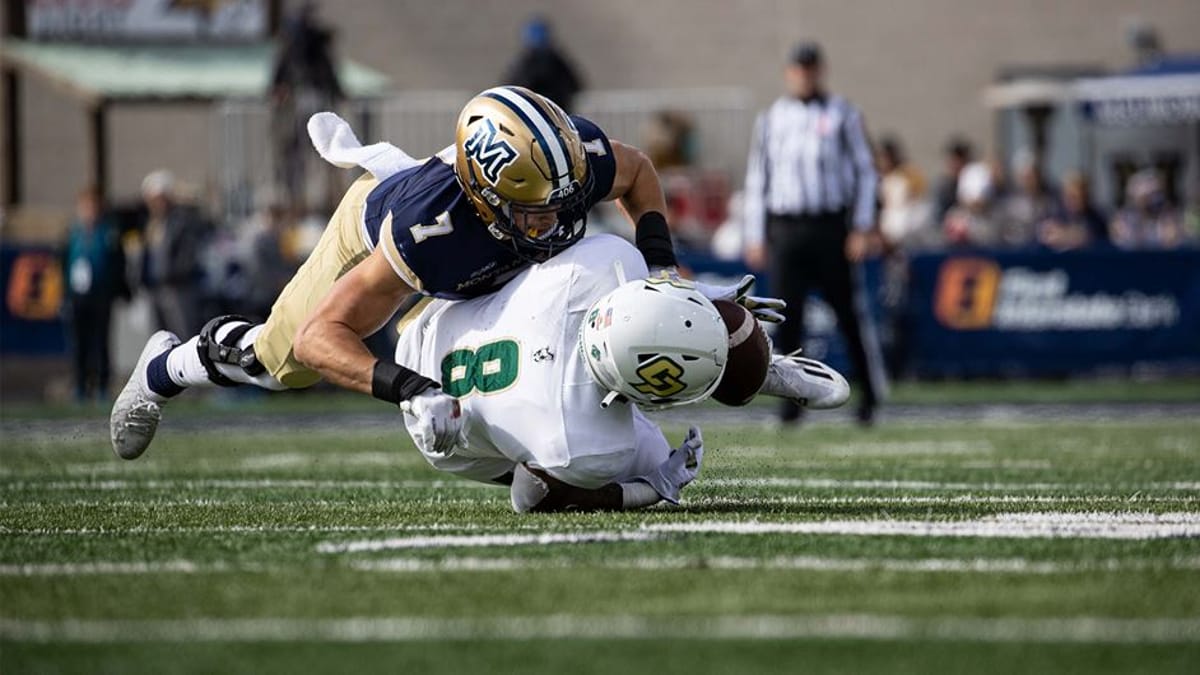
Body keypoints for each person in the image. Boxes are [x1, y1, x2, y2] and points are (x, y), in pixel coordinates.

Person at [111, 86, 785, 461]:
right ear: (489, 200)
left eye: (562, 205)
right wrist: (412, 389)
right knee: (283, 361)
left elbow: (635, 169)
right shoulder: (429, 233)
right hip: (377, 235)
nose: (557, 223)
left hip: (468, 241)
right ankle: (167, 368)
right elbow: (325, 333)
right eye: (534, 213)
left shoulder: (561, 162)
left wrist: (666, 274)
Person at [396, 234, 849, 512]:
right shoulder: (590, 445)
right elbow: (528, 494)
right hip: (442, 422)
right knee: (642, 459)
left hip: (432, 322)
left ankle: (756, 368)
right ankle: (750, 369)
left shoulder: (596, 267)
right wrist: (654, 486)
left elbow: (645, 297)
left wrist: (703, 301)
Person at [742, 42, 887, 426]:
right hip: (787, 227)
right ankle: (791, 402)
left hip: (829, 226)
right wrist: (755, 233)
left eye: (810, 68)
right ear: (789, 73)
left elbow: (866, 172)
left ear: (820, 70)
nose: (804, 75)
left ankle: (871, 395)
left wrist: (861, 225)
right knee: (787, 316)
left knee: (848, 313)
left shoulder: (843, 114)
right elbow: (759, 178)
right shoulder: (772, 118)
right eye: (798, 69)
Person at [270, 1, 344, 206]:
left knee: (323, 149)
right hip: (301, 99)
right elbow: (281, 71)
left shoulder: (309, 44)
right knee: (298, 152)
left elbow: (328, 71)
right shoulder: (294, 44)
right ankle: (296, 200)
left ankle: (325, 197)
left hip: (313, 96)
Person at [63, 186, 129, 403]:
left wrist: (119, 289)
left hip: (101, 295)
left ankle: (102, 385)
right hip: (78, 295)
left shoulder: (108, 232)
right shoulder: (74, 232)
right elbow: (63, 263)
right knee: (79, 342)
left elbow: (118, 263)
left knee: (101, 342)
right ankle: (81, 385)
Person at [139, 170, 206, 337]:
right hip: (156, 289)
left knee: (184, 334)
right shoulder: (153, 223)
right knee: (160, 338)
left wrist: (174, 273)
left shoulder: (181, 222)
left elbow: (189, 255)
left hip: (178, 289)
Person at [502, 17, 584, 112]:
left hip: (546, 114)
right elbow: (575, 85)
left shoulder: (555, 62)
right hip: (546, 115)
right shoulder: (556, 61)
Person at [1110, 170, 1187, 250]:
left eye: (1157, 193)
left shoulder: (1169, 216)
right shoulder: (1122, 219)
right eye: (1148, 196)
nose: (1155, 199)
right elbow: (1122, 244)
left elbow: (1173, 244)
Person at [1037, 172, 1107, 252]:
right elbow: (1043, 239)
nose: (1075, 201)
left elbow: (1095, 239)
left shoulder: (1097, 219)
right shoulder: (1054, 217)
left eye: (1080, 196)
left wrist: (1066, 235)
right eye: (1071, 196)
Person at [933, 137, 973, 224]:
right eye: (954, 159)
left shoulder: (974, 183)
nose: (957, 164)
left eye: (960, 159)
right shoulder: (943, 186)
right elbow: (937, 217)